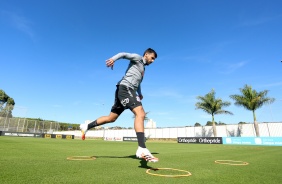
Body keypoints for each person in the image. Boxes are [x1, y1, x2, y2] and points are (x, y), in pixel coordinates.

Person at [80, 48, 158, 162]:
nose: (153, 61)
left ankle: (87, 126)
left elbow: (138, 82)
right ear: (146, 54)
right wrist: (113, 59)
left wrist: (140, 93)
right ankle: (142, 148)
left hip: (126, 90)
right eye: (152, 58)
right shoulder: (137, 58)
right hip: (125, 88)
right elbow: (123, 54)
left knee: (111, 118)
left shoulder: (143, 69)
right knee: (140, 113)